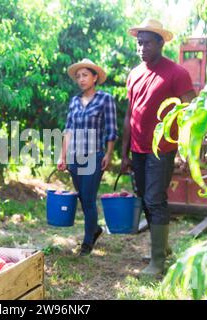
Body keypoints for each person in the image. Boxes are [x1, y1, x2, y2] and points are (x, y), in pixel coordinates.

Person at [122, 19, 196, 275]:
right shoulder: (134, 74)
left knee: (155, 199)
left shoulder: (177, 73)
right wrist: (124, 152)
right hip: (138, 148)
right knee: (145, 199)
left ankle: (157, 262)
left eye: (147, 43)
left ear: (160, 43)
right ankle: (162, 247)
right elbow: (130, 114)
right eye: (139, 43)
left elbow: (191, 111)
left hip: (162, 148)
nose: (142, 48)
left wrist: (188, 148)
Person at [58, 58, 118, 256]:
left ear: (95, 77)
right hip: (75, 156)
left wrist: (108, 154)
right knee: (83, 197)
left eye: (85, 75)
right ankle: (95, 229)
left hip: (94, 155)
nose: (81, 79)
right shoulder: (75, 101)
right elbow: (68, 130)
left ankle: (87, 242)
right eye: (78, 76)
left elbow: (111, 129)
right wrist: (62, 156)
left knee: (89, 198)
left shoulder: (105, 100)